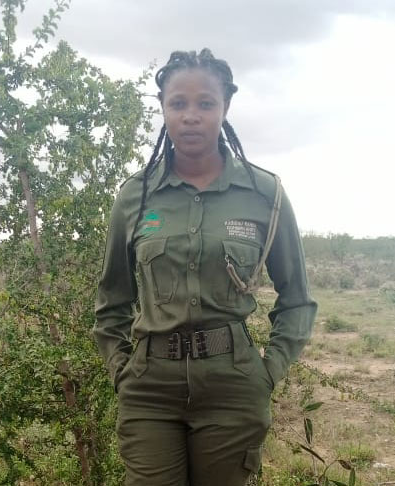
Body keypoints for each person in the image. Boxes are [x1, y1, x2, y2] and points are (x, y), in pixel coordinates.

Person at [94, 48, 317, 486]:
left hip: (232, 387)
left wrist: (267, 373)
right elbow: (112, 301)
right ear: (163, 109)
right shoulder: (135, 197)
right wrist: (122, 370)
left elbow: (297, 299)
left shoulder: (264, 194)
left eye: (205, 103)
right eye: (178, 103)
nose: (190, 115)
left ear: (225, 107)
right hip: (149, 389)